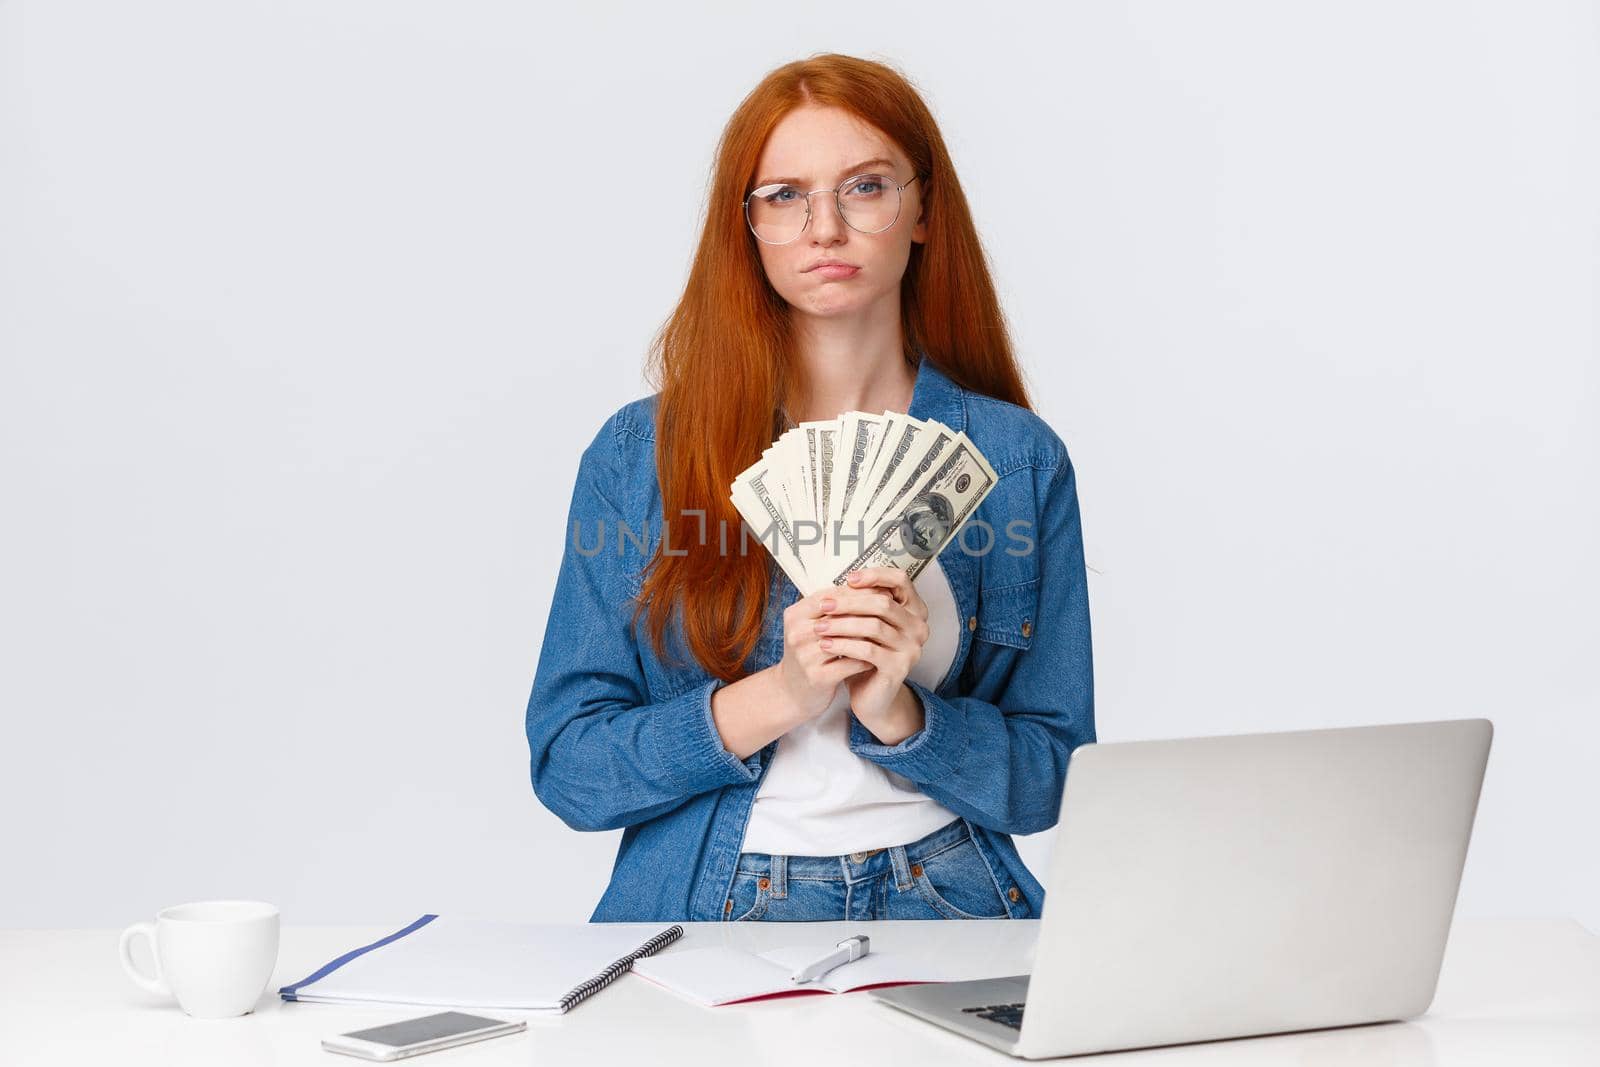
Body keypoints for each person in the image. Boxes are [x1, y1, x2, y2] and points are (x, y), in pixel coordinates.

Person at [525, 53, 1095, 923]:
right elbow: (571, 770)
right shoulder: (640, 455)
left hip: (951, 889)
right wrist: (780, 695)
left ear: (922, 212)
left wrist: (904, 713)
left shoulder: (1016, 462)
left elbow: (1051, 779)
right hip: (713, 896)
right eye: (785, 196)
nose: (824, 227)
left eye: (864, 187)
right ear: (746, 226)